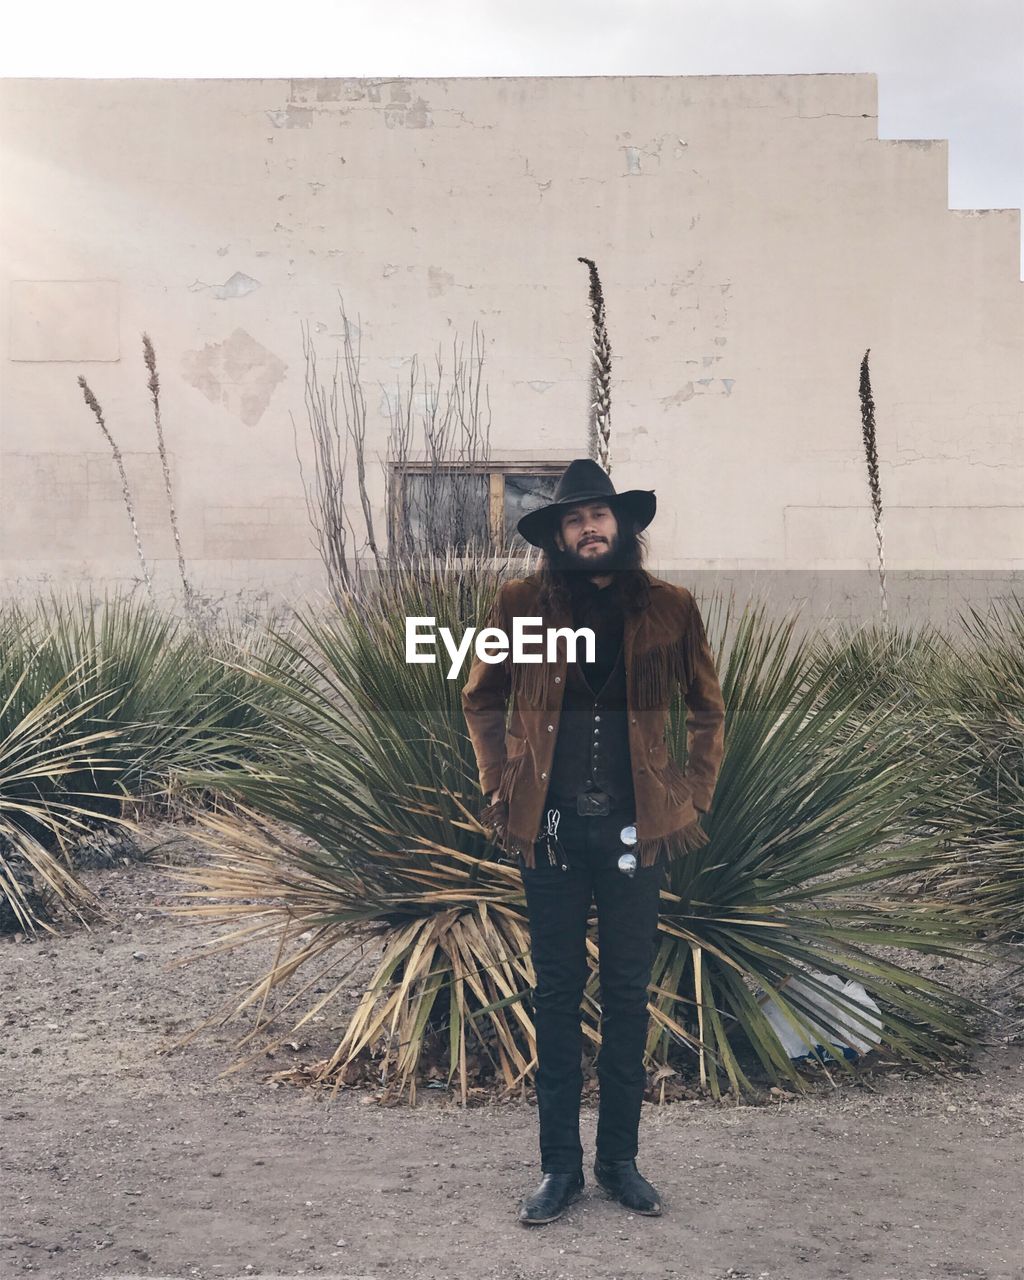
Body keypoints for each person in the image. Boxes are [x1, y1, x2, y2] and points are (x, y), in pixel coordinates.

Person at [461, 457, 726, 1226]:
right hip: (546, 829)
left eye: (599, 516)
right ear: (558, 536)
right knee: (554, 996)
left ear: (623, 525)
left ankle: (619, 1161)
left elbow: (707, 710)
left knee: (626, 997)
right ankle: (559, 1169)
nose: (589, 528)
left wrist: (691, 797)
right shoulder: (520, 604)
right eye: (574, 520)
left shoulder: (672, 608)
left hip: (637, 832)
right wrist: (498, 784)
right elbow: (482, 697)